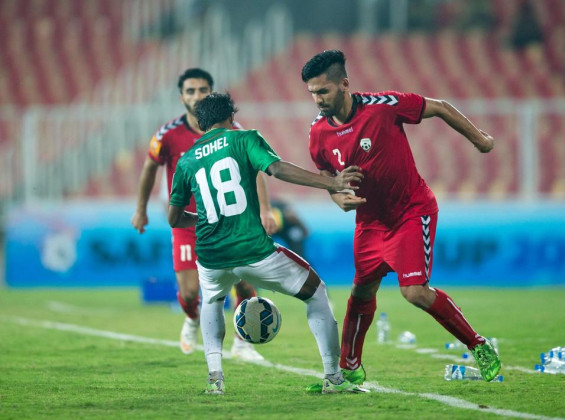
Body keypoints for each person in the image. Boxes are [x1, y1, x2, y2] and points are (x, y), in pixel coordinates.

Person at [301, 50, 501, 384]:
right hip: (369, 223)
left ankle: (478, 345)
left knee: (414, 292)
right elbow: (325, 174)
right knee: (361, 292)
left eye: (323, 91)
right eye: (312, 93)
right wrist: (338, 197)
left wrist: (479, 139)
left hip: (410, 212)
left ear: (344, 84)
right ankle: (349, 368)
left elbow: (438, 106)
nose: (317, 99)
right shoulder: (318, 133)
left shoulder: (383, 106)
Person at [167, 92, 365, 394]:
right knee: (316, 291)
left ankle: (215, 379)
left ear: (202, 123)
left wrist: (208, 219)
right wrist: (332, 182)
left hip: (209, 254)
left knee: (211, 301)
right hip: (251, 248)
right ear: (231, 116)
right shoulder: (244, 138)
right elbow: (277, 169)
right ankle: (333, 377)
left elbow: (173, 217)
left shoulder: (187, 160)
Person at [131, 68, 277, 361]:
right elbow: (150, 168)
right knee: (188, 292)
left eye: (203, 90)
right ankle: (192, 318)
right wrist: (141, 209)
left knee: (245, 280)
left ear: (212, 92)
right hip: (189, 222)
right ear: (181, 96)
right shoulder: (168, 134)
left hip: (231, 220)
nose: (197, 96)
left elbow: (256, 168)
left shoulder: (233, 130)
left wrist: (264, 209)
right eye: (191, 91)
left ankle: (242, 344)